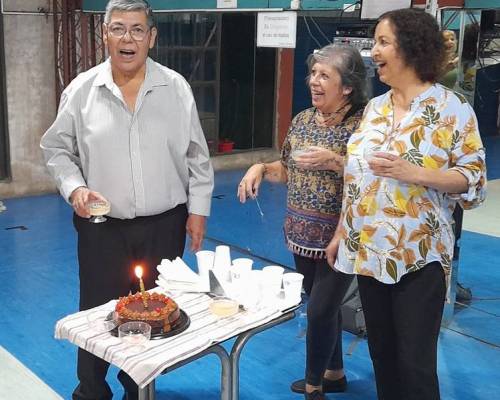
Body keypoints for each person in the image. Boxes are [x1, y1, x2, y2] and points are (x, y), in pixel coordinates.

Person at [40, 1, 214, 399]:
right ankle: (91, 390)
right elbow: (56, 149)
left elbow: (197, 157)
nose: (128, 39)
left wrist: (198, 211)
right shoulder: (82, 90)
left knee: (154, 312)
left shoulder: (176, 89)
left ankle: (139, 388)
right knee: (98, 312)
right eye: (118, 29)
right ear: (105, 35)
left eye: (137, 30)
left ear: (151, 37)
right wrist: (75, 188)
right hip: (102, 229)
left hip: (163, 225)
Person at [326, 8, 486, 400]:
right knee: (383, 357)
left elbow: (475, 183)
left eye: (383, 42)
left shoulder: (452, 109)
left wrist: (416, 173)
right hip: (370, 252)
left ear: (411, 48)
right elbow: (357, 177)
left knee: (414, 365)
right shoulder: (376, 109)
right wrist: (342, 232)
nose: (373, 51)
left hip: (419, 256)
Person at [238, 44, 367, 400]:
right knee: (323, 306)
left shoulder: (364, 125)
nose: (314, 81)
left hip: (339, 237)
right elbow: (287, 169)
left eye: (325, 75)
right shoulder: (302, 120)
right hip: (300, 235)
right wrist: (261, 168)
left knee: (320, 309)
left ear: (348, 86)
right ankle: (335, 373)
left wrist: (336, 162)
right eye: (313, 73)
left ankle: (313, 388)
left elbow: (371, 179)